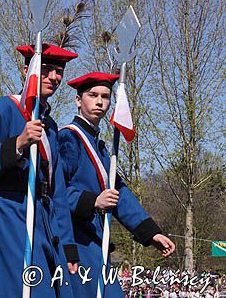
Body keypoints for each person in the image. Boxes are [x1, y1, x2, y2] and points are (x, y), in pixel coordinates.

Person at [0, 43, 79, 298]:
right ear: (27, 70)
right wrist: (18, 144)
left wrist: (68, 246)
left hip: (45, 221)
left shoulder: (51, 126)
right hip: (8, 216)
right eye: (46, 70)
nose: (54, 77)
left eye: (59, 71)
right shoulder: (4, 108)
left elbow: (59, 193)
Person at [57, 71, 176, 297]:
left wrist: (151, 233)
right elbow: (57, 190)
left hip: (97, 240)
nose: (100, 102)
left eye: (105, 96)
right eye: (92, 95)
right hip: (75, 240)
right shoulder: (68, 138)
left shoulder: (101, 146)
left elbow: (119, 192)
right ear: (78, 100)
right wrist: (93, 201)